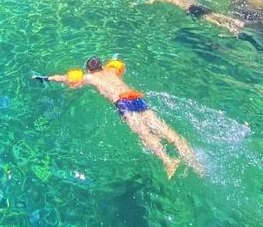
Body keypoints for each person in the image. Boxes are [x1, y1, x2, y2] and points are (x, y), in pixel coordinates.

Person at [32, 56, 204, 178]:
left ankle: (168, 161)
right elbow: (117, 62)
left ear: (89, 69)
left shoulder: (90, 77)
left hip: (123, 104)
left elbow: (64, 78)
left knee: (144, 134)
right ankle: (193, 160)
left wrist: (44, 78)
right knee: (164, 129)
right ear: (101, 65)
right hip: (136, 98)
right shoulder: (111, 70)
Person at [146, 0, 245, 36]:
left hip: (190, 9)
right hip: (195, 5)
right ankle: (234, 21)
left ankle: (229, 28)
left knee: (208, 19)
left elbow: (154, 1)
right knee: (212, 14)